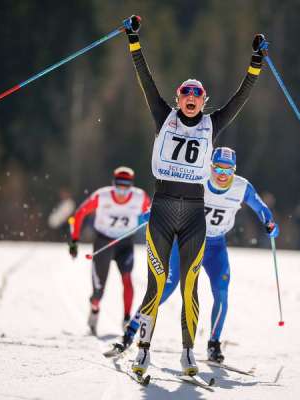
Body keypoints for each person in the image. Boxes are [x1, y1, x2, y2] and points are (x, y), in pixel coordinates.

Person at [122, 14, 266, 377]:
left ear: (204, 101)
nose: (190, 99)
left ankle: (188, 351)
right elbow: (145, 81)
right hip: (163, 209)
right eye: (185, 94)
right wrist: (134, 40)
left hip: (193, 217)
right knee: (156, 284)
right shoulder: (163, 117)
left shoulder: (211, 124)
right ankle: (143, 349)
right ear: (177, 99)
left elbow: (240, 99)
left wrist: (256, 63)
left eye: (196, 95)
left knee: (190, 286)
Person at [114, 147, 279, 363]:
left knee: (221, 290)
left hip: (215, 245)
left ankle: (213, 343)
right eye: (218, 168)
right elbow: (171, 199)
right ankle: (131, 331)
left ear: (234, 171)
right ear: (210, 166)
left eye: (228, 171)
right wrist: (151, 214)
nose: (222, 175)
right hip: (186, 240)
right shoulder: (198, 181)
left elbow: (261, 207)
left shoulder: (241, 187)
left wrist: (269, 223)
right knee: (166, 288)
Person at [69, 166, 150, 335]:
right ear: (113, 184)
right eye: (118, 185)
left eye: (126, 186)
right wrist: (74, 241)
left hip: (125, 243)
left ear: (131, 185)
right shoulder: (102, 196)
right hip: (103, 242)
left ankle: (127, 318)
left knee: (127, 279)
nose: (122, 190)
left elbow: (153, 215)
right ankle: (95, 309)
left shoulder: (139, 197)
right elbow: (80, 213)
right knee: (99, 291)